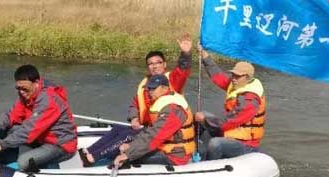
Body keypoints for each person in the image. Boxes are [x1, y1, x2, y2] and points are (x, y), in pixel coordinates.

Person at [79, 33, 193, 166]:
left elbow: (182, 71)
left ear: (165, 64)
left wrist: (186, 54)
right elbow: (135, 103)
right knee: (118, 129)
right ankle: (89, 151)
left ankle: (94, 157)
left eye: (158, 63)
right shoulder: (146, 84)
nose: (154, 66)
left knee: (127, 137)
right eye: (150, 64)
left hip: (163, 134)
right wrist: (134, 117)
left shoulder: (172, 81)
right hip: (148, 127)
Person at [0, 64, 77, 170]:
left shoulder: (48, 100)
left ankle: (43, 168)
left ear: (36, 83)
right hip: (41, 138)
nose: (21, 92)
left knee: (23, 162)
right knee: (12, 129)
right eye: (18, 88)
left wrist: (2, 145)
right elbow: (12, 114)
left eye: (24, 88)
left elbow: (30, 130)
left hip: (60, 145)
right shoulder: (27, 95)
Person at [195, 48, 266, 160]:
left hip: (246, 144)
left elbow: (231, 121)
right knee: (202, 115)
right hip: (230, 133)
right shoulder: (237, 84)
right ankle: (198, 154)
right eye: (233, 74)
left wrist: (206, 120)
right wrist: (205, 56)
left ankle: (210, 165)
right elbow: (218, 76)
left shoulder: (251, 100)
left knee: (215, 143)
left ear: (247, 77)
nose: (233, 78)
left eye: (237, 76)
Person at [113, 74, 195, 167]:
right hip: (163, 149)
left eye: (153, 88)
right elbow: (150, 131)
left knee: (130, 158)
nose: (150, 92)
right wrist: (131, 145)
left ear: (164, 88)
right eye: (149, 89)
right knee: (126, 152)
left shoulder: (173, 109)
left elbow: (155, 136)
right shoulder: (163, 104)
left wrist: (129, 154)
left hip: (175, 156)